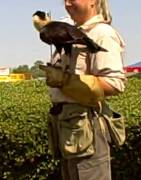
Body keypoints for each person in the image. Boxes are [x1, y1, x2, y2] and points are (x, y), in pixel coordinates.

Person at [36, 0, 126, 179]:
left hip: (87, 130)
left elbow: (115, 83)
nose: (68, 4)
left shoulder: (102, 33)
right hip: (68, 129)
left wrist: (66, 81)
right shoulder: (68, 31)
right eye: (65, 0)